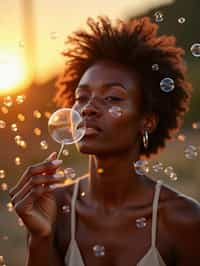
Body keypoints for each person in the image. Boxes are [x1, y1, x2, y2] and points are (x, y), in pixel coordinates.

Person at [9, 16, 200, 266]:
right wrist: (40, 237)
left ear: (147, 121)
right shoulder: (53, 208)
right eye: (82, 96)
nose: (88, 109)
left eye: (112, 98)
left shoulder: (183, 219)